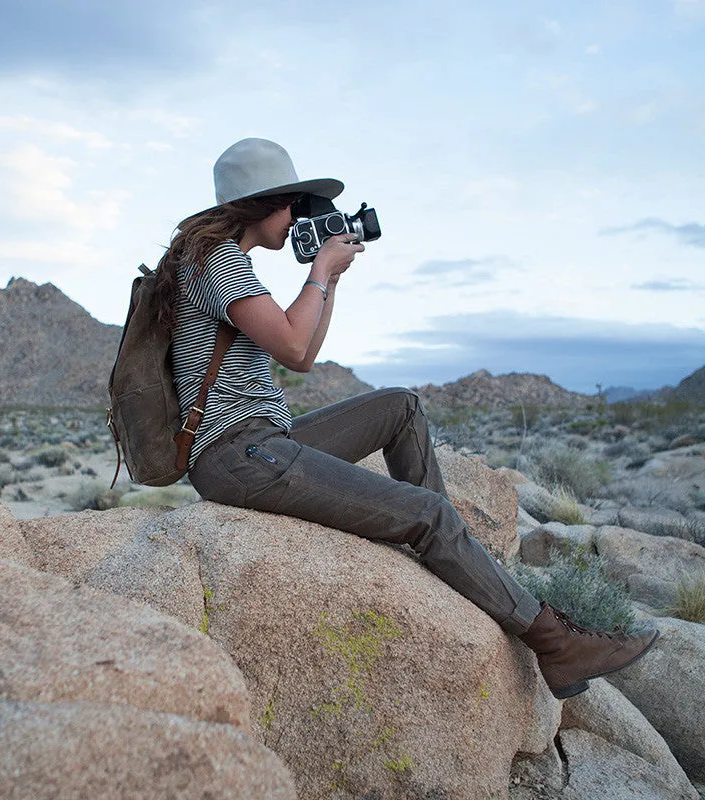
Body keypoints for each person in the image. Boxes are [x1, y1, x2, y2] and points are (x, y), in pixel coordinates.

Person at [155, 137, 658, 699]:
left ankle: (449, 551)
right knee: (428, 512)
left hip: (264, 442)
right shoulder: (217, 261)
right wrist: (320, 271)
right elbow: (295, 350)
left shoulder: (225, 262)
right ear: (262, 203)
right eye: (294, 204)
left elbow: (307, 349)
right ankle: (558, 646)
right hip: (238, 456)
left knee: (401, 405)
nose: (299, 217)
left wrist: (332, 280)